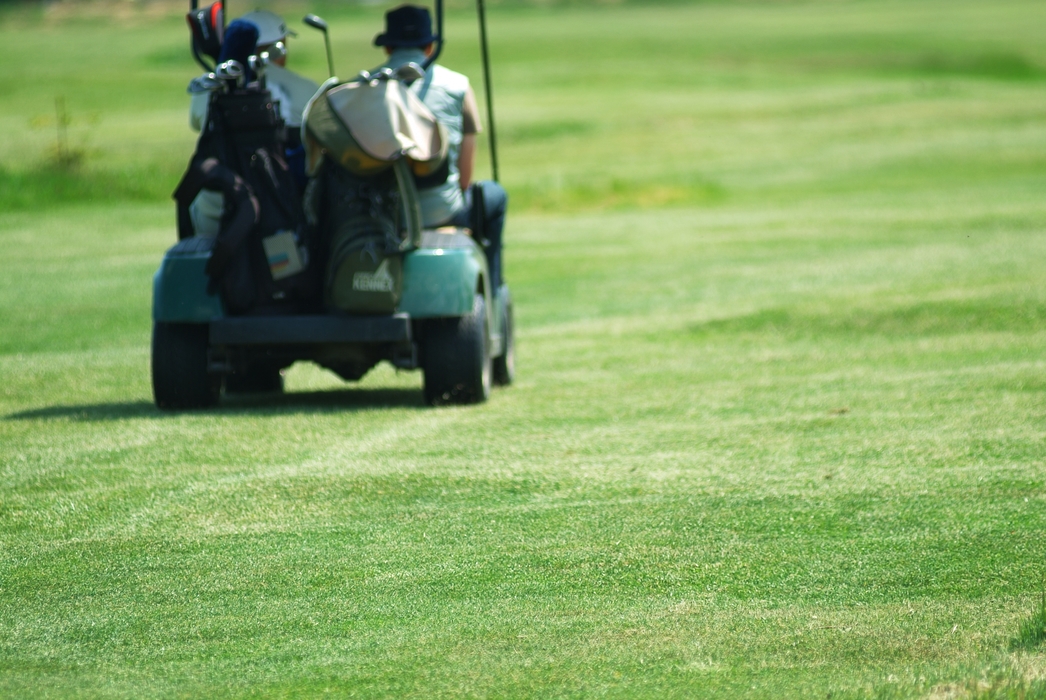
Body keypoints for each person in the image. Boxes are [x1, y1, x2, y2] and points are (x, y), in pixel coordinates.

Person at [375, 4, 507, 290]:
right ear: (429, 45)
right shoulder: (458, 86)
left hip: (383, 212)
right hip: (442, 211)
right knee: (496, 196)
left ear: (387, 48)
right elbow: (465, 177)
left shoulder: (363, 87)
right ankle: (494, 288)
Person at [187, 10, 318, 237]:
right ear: (279, 48)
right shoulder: (307, 89)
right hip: (282, 200)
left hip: (217, 202)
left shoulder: (212, 86)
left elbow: (197, 123)